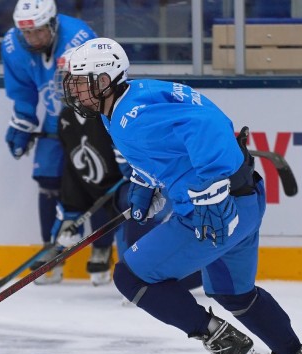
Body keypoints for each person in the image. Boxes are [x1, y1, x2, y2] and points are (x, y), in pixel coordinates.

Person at [62, 37, 302, 354]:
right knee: (233, 293)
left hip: (216, 212)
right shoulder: (132, 99)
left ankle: (223, 341)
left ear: (107, 78)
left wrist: (211, 184)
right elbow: (168, 146)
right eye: (75, 83)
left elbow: (207, 125)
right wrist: (145, 183)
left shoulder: (132, 115)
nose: (77, 92)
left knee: (129, 276)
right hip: (245, 203)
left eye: (84, 82)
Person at [52, 47, 203, 290]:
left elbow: (144, 158)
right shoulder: (68, 118)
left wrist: (133, 172)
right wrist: (71, 214)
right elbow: (75, 168)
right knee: (92, 196)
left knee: (131, 204)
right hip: (110, 183)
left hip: (139, 182)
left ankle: (141, 269)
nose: (69, 87)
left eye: (75, 81)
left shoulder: (111, 109)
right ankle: (123, 265)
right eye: (68, 79)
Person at [1, 0, 96, 285]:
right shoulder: (12, 43)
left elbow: (92, 92)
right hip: (54, 119)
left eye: (39, 32)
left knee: (94, 181)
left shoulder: (79, 38)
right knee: (46, 179)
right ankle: (52, 253)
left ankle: (102, 252)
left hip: (88, 119)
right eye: (26, 34)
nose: (32, 39)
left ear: (53, 23)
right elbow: (22, 89)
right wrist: (23, 119)